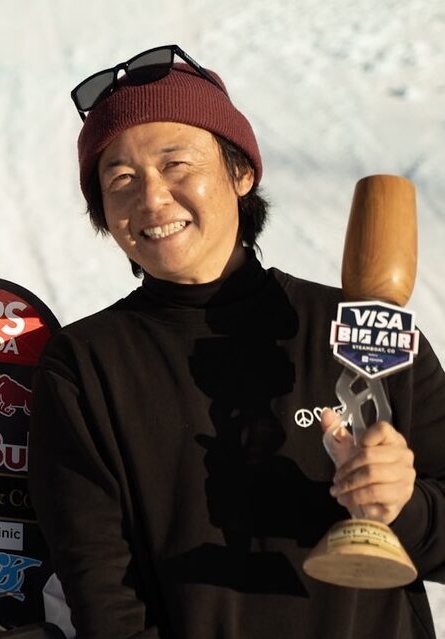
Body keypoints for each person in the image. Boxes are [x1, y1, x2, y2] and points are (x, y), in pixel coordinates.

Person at [28, 44, 445, 639]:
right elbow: (103, 595)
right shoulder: (85, 365)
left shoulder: (360, 328)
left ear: (241, 172)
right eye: (120, 178)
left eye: (176, 164)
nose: (152, 198)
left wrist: (403, 506)